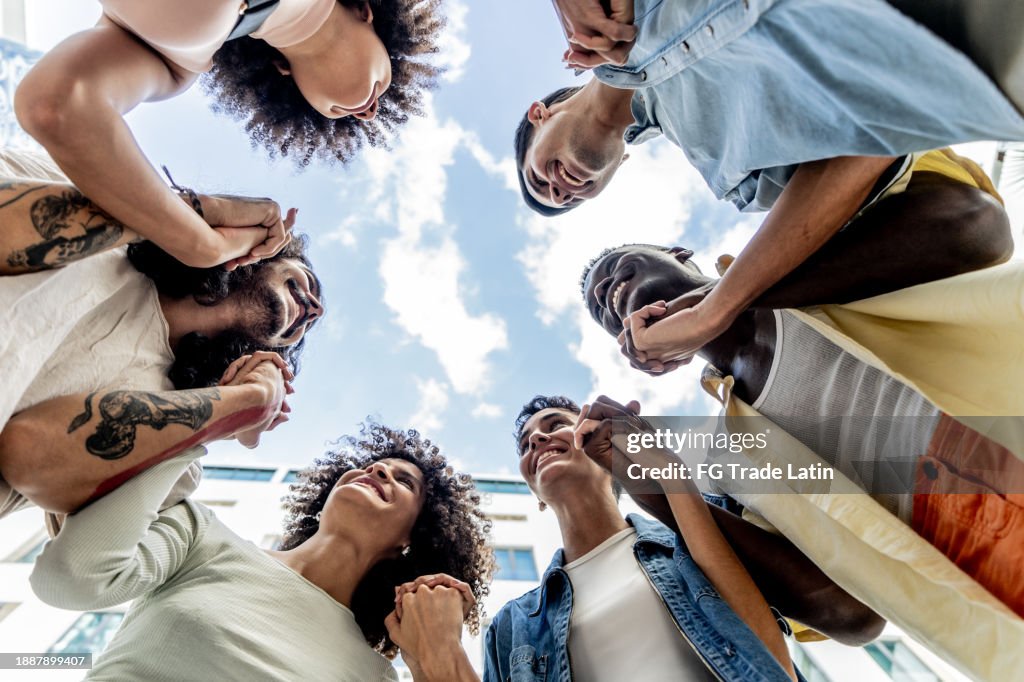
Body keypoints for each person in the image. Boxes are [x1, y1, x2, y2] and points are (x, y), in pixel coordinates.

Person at [516, 0, 1024, 367]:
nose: (562, 190)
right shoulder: (738, 177)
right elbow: (876, 133)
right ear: (615, 172)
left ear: (540, 114)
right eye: (567, 200)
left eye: (540, 178)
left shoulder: (602, 11)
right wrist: (714, 309)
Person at [28, 422, 494, 681]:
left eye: (403, 480)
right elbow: (70, 578)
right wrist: (185, 443)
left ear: (410, 540)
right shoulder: (203, 536)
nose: (378, 472)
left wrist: (440, 652)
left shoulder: (375, 674)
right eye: (373, 465)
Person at [0, 153, 324, 518]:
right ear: (263, 253)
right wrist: (192, 217)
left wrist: (252, 400)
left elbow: (33, 456)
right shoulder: (87, 189)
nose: (315, 308)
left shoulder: (174, 445)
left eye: (308, 323)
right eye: (308, 282)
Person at [15, 0, 444, 269]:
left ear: (283, 75)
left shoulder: (174, 60)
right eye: (385, 85)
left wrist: (202, 246)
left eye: (352, 119)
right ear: (365, 10)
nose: (369, 113)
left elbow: (55, 105)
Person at [483, 395, 812, 682]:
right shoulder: (511, 627)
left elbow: (771, 660)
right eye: (526, 445)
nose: (537, 439)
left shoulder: (691, 538)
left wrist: (669, 472)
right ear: (536, 495)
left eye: (555, 425)